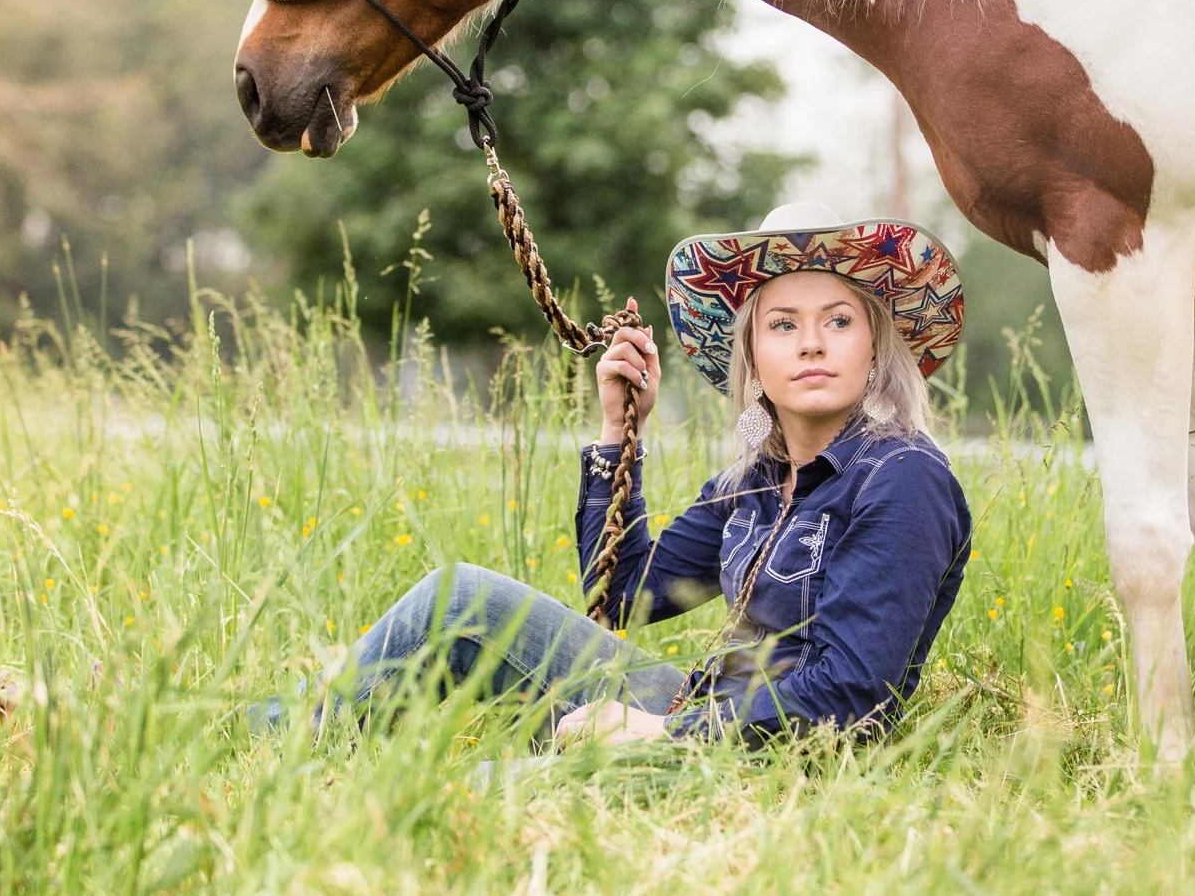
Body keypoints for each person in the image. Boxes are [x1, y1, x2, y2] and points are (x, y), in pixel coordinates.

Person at [309, 202, 972, 747]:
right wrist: (621, 431)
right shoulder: (755, 474)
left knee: (491, 793)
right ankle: (290, 739)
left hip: (773, 753)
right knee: (457, 598)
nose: (811, 341)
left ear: (875, 344)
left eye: (838, 319)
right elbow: (625, 594)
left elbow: (851, 694)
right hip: (696, 708)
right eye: (782, 323)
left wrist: (659, 731)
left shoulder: (902, 475)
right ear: (752, 354)